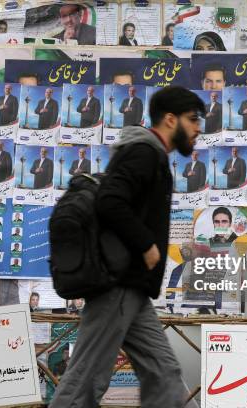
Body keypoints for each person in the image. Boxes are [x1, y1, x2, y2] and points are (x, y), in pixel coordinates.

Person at [49, 86, 204, 408]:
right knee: (85, 381)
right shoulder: (143, 153)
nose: (197, 128)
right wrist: (146, 244)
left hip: (134, 288)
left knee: (164, 372)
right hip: (118, 286)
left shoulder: (151, 155)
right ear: (170, 119)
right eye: (192, 120)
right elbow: (110, 200)